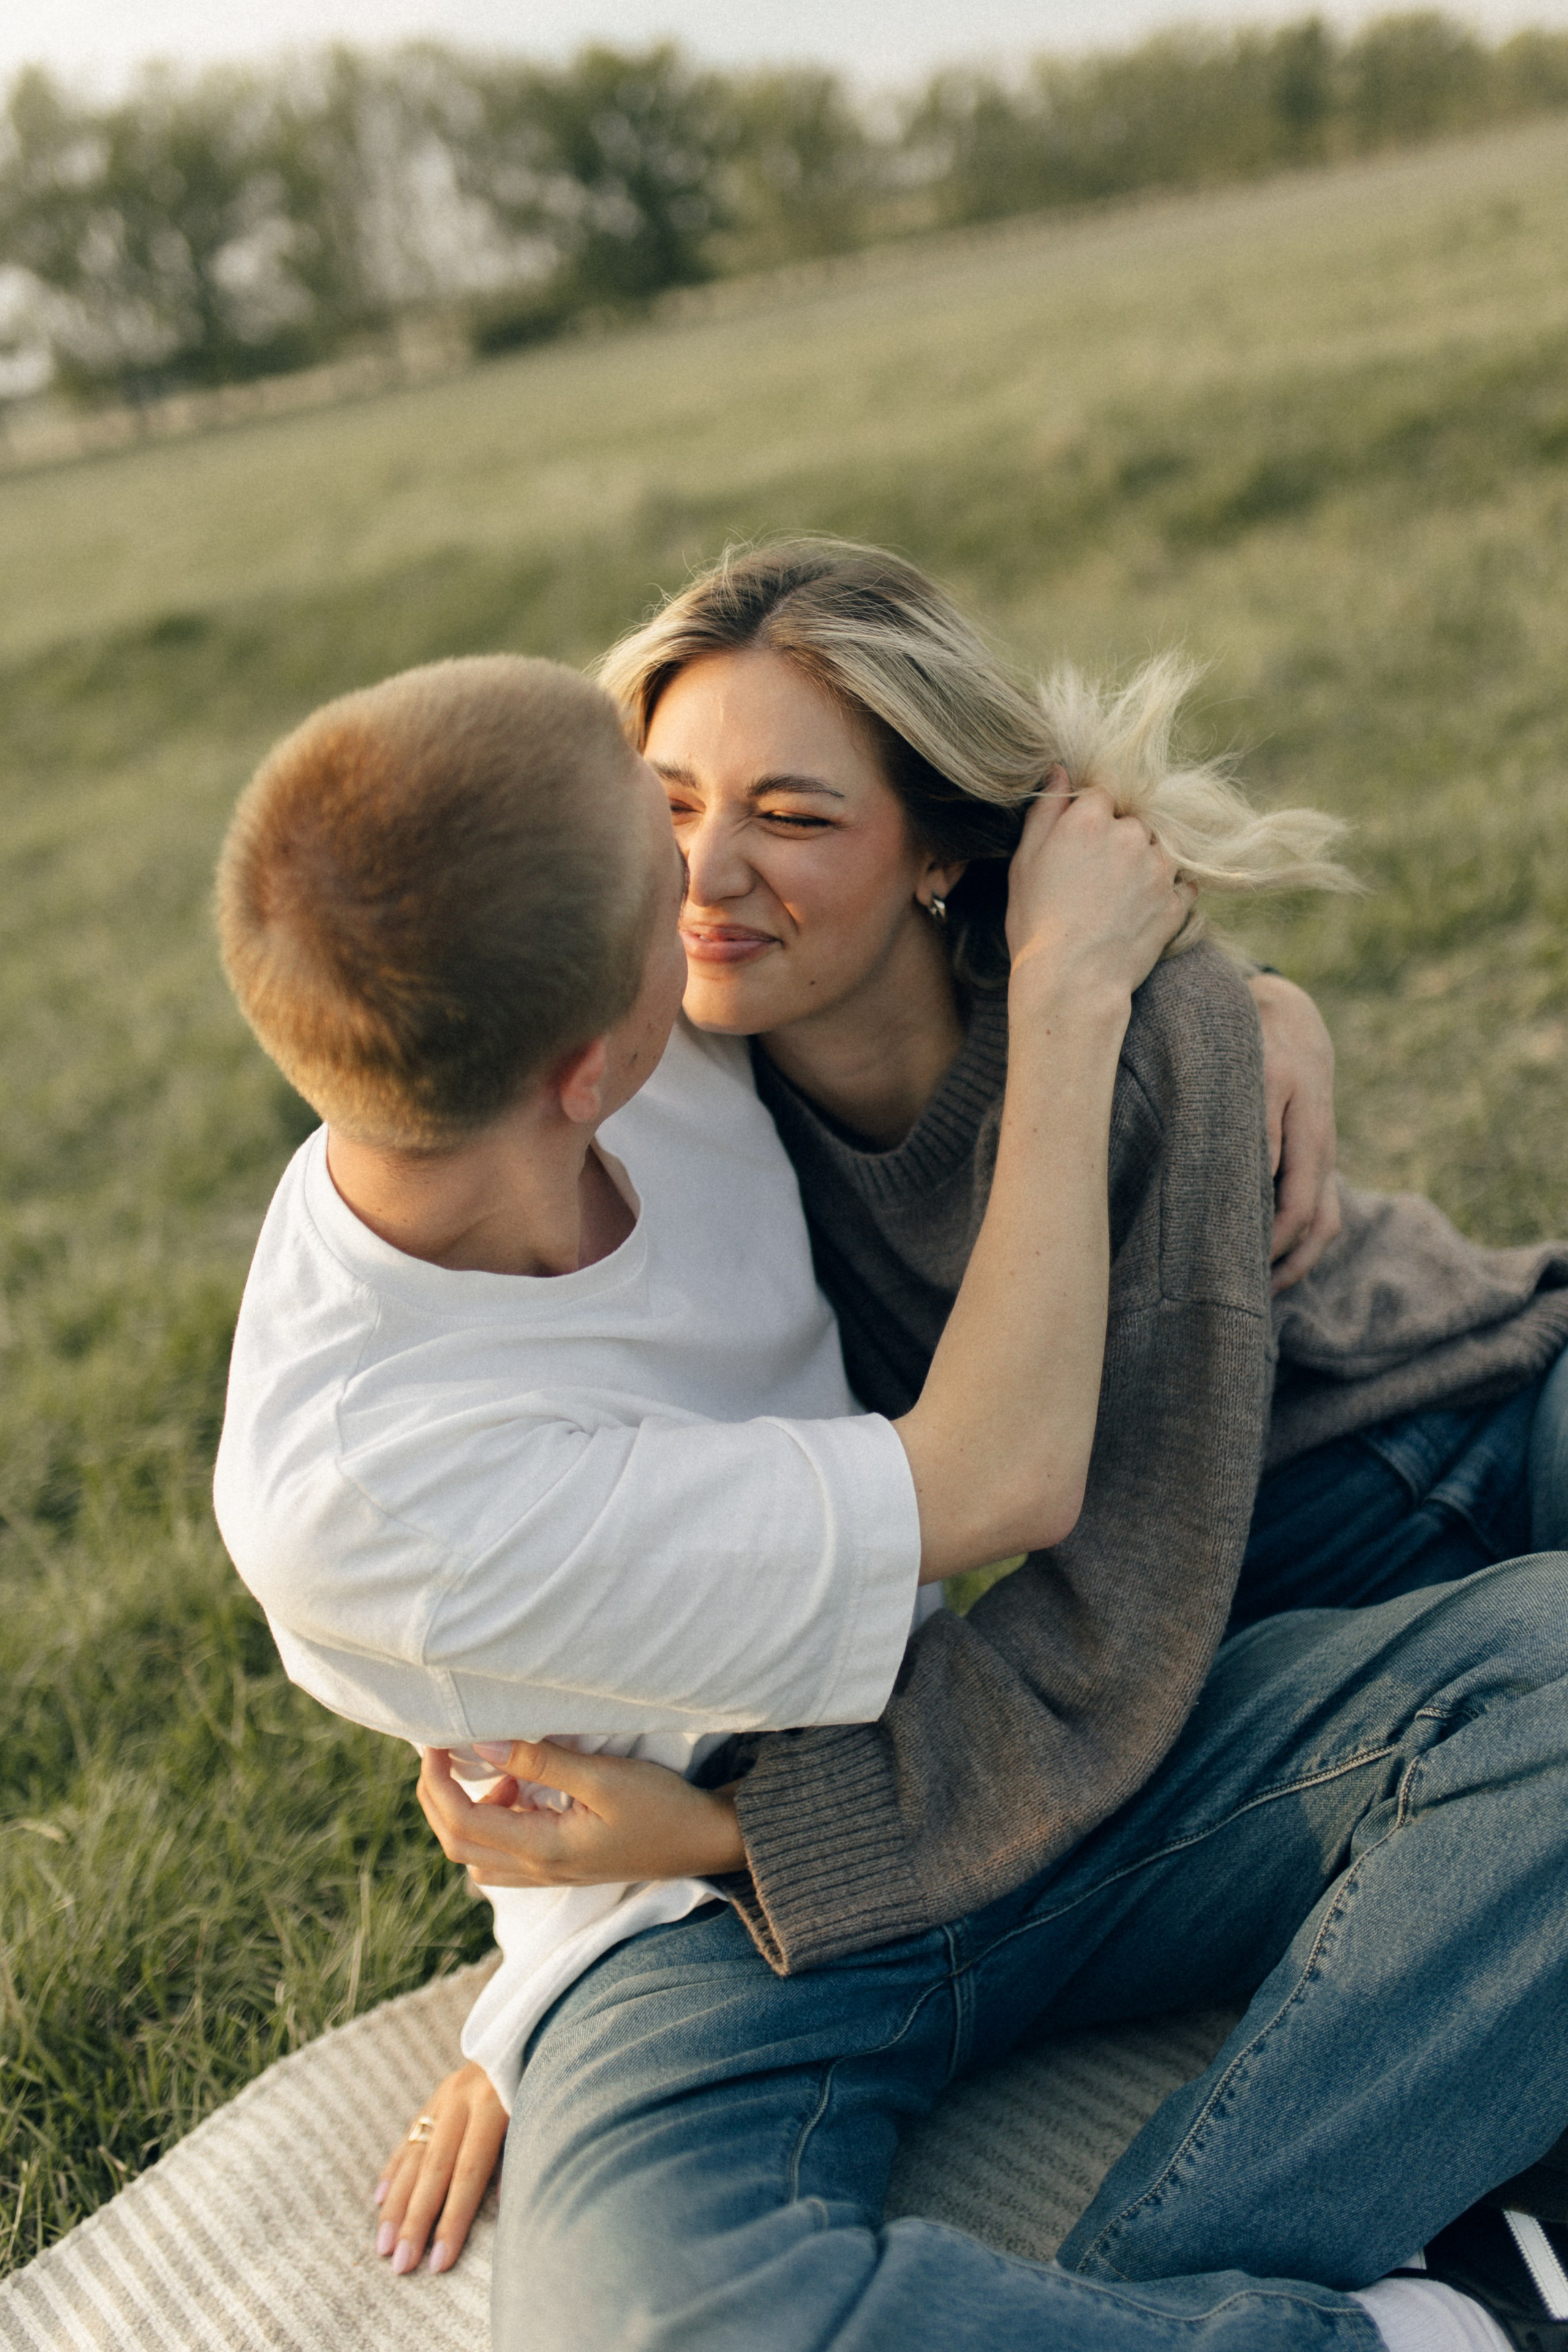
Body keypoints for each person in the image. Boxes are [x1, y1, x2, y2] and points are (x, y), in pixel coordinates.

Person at [389, 544, 1568, 2352]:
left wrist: (729, 1834)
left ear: (941, 849)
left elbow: (1118, 1606)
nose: (710, 874)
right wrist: (532, 1991)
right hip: (1243, 1612)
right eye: (671, 805)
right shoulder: (675, 1101)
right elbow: (566, 1547)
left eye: (793, 815)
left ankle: (1195, 2287)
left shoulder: (1128, 1020)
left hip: (1442, 1435)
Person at [210, 646, 1191, 2240]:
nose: (708, 888)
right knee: (664, 2318)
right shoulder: (371, 1494)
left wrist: (1229, 1018)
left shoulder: (563, 1030)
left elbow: (890, 874)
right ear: (584, 1067)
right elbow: (1003, 1475)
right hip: (680, 1917)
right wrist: (1080, 1009)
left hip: (1017, 1732)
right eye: (664, 858)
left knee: (1525, 1698)